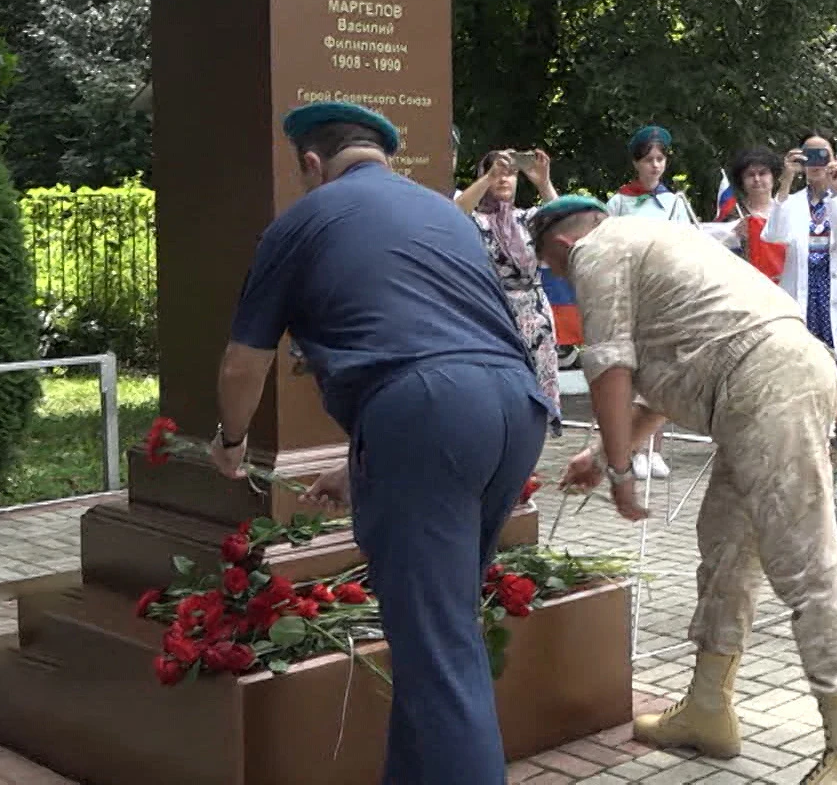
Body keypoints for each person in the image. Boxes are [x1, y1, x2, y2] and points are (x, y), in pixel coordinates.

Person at [211, 100, 553, 784]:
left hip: (425, 415)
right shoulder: (445, 216)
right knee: (435, 633)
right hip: (516, 409)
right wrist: (364, 461)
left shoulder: (302, 222)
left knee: (439, 649)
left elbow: (242, 366)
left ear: (312, 163)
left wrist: (232, 442)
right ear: (384, 155)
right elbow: (450, 341)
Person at [537, 198, 837, 785]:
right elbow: (670, 381)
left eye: (556, 275)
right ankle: (708, 707)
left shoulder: (597, 252)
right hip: (762, 384)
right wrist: (603, 454)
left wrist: (624, 475)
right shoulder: (653, 245)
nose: (565, 284)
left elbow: (608, 367)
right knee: (728, 551)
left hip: (763, 386)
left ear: (558, 247)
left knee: (805, 561)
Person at [765, 132, 837, 510]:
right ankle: (802, 478)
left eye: (823, 155)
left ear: (835, 158)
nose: (816, 162)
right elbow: (774, 233)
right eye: (810, 155)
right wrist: (785, 179)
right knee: (798, 395)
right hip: (802, 306)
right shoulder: (793, 202)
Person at [603, 124, 696, 480]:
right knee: (633, 371)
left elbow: (690, 245)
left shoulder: (676, 203)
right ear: (636, 163)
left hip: (665, 295)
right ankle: (633, 448)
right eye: (648, 160)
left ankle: (655, 448)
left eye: (660, 159)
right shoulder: (619, 202)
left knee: (661, 371)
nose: (655, 166)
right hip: (631, 293)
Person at [454, 148, 562, 430]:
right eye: (497, 173)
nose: (504, 179)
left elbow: (562, 219)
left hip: (535, 314)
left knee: (538, 390)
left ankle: (532, 463)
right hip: (494, 311)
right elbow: (454, 212)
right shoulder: (476, 221)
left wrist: (543, 183)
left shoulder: (526, 219)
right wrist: (488, 178)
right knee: (500, 390)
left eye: (511, 174)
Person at [714, 146, 787, 281]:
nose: (757, 179)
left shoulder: (786, 211)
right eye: (750, 174)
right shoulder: (732, 214)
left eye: (762, 173)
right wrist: (732, 236)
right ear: (742, 180)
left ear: (773, 177)